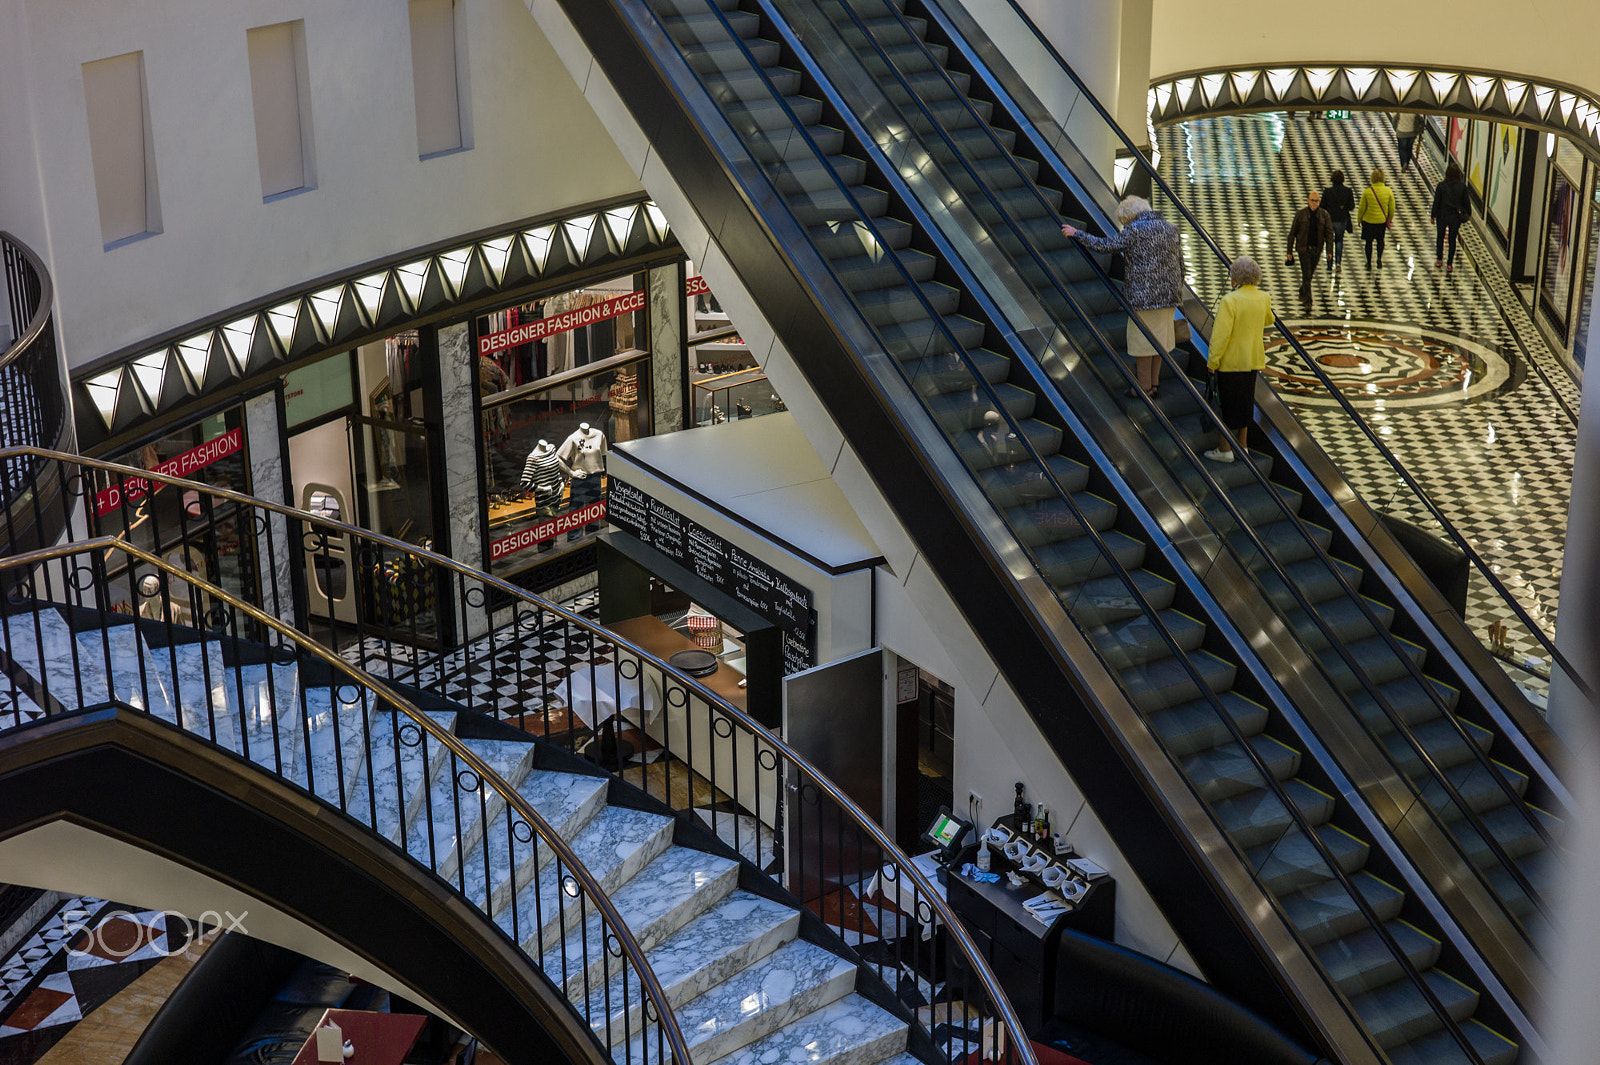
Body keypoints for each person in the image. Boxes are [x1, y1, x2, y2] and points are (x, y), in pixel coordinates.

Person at [1062, 195, 1183, 398]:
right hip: (1169, 296)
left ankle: (1144, 388)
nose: (1125, 224)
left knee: (1142, 342)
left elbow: (1105, 245)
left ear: (1130, 216)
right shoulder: (1171, 228)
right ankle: (1154, 383)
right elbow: (1181, 264)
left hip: (1143, 298)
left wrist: (1077, 234)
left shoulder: (1135, 230)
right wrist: (1175, 288)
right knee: (1159, 342)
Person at [1204, 257, 1273, 464]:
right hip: (1252, 360)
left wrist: (1212, 362)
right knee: (1245, 403)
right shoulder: (1263, 297)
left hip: (1231, 362)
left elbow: (1220, 336)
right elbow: (1270, 319)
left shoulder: (1229, 301)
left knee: (1224, 405)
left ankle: (1225, 449)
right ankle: (1242, 445)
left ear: (1234, 277)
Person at [1286, 192, 1334, 301]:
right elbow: (1292, 233)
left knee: (1309, 274)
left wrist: (1329, 251)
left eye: (1316, 201)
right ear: (1308, 200)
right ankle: (1308, 301)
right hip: (1303, 249)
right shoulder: (1300, 214)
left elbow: (1329, 234)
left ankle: (1303, 290)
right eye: (1312, 200)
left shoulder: (1324, 215)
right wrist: (1289, 251)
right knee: (1307, 275)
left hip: (1317, 250)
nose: (1314, 203)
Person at [1431, 161, 1471, 272]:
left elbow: (1437, 202)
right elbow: (1466, 201)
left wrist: (1433, 215)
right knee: (1452, 239)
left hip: (1442, 215)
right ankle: (1449, 263)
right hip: (1455, 216)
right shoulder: (1462, 187)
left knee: (1440, 237)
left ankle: (1439, 259)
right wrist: (1469, 213)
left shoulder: (1441, 186)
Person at [1356, 168, 1397, 268]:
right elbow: (1392, 206)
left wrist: (1359, 219)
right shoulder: (1388, 191)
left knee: (1368, 242)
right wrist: (1390, 218)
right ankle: (1379, 258)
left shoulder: (1368, 192)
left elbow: (1362, 207)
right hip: (1381, 221)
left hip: (1368, 221)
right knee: (1380, 240)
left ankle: (1369, 262)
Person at [1320, 170, 1355, 266]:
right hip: (1341, 219)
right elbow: (1351, 207)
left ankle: (1329, 262)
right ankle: (1338, 262)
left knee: (1329, 242)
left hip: (1329, 219)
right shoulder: (1348, 191)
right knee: (1339, 240)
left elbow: (1322, 206)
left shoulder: (1327, 191)